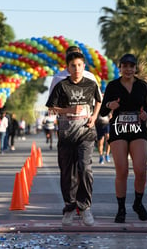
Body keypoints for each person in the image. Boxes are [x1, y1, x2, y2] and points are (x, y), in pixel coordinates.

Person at [46, 51, 102, 227]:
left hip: (86, 134)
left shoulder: (91, 84)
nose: (76, 69)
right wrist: (67, 111)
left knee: (85, 168)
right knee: (67, 173)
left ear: (83, 66)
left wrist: (93, 117)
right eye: (73, 66)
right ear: (67, 68)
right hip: (67, 135)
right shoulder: (61, 86)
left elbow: (99, 100)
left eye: (79, 65)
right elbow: (51, 109)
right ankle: (69, 208)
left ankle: (85, 208)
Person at [100, 53, 147, 223]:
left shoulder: (143, 86)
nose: (128, 69)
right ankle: (121, 209)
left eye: (132, 66)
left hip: (137, 129)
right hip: (118, 129)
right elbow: (102, 112)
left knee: (140, 169)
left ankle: (138, 203)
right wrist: (109, 105)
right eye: (125, 66)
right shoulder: (113, 86)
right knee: (122, 170)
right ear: (120, 67)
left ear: (135, 68)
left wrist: (145, 114)